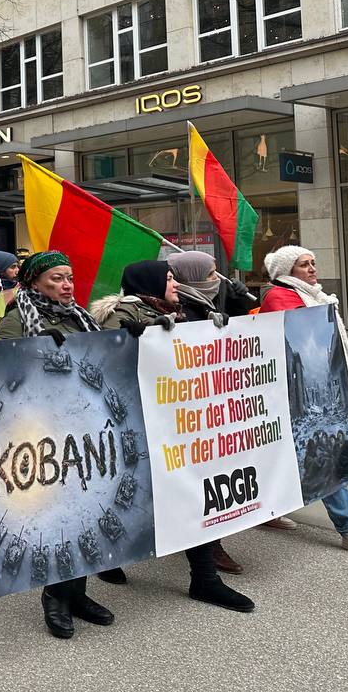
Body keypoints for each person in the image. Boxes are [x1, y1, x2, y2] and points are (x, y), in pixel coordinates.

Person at [90, 261, 253, 610]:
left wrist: (222, 325)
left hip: (178, 422)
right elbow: (105, 365)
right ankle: (106, 556)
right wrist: (136, 339)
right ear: (149, 283)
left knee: (190, 491)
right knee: (127, 496)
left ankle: (204, 578)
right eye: (168, 279)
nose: (175, 284)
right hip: (137, 425)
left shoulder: (180, 310)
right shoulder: (119, 315)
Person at [0, 251, 115, 640]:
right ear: (33, 282)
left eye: (70, 278)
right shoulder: (18, 319)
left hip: (86, 428)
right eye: (57, 279)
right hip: (44, 434)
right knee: (59, 518)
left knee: (85, 512)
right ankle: (55, 597)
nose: (66, 285)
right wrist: (37, 351)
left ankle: (77, 592)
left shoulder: (81, 317)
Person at [259, 246, 348, 557]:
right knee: (324, 455)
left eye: (313, 262)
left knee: (283, 452)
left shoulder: (316, 297)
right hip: (297, 394)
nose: (312, 268)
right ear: (287, 271)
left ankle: (267, 508)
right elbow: (297, 347)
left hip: (321, 389)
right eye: (304, 264)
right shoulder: (280, 298)